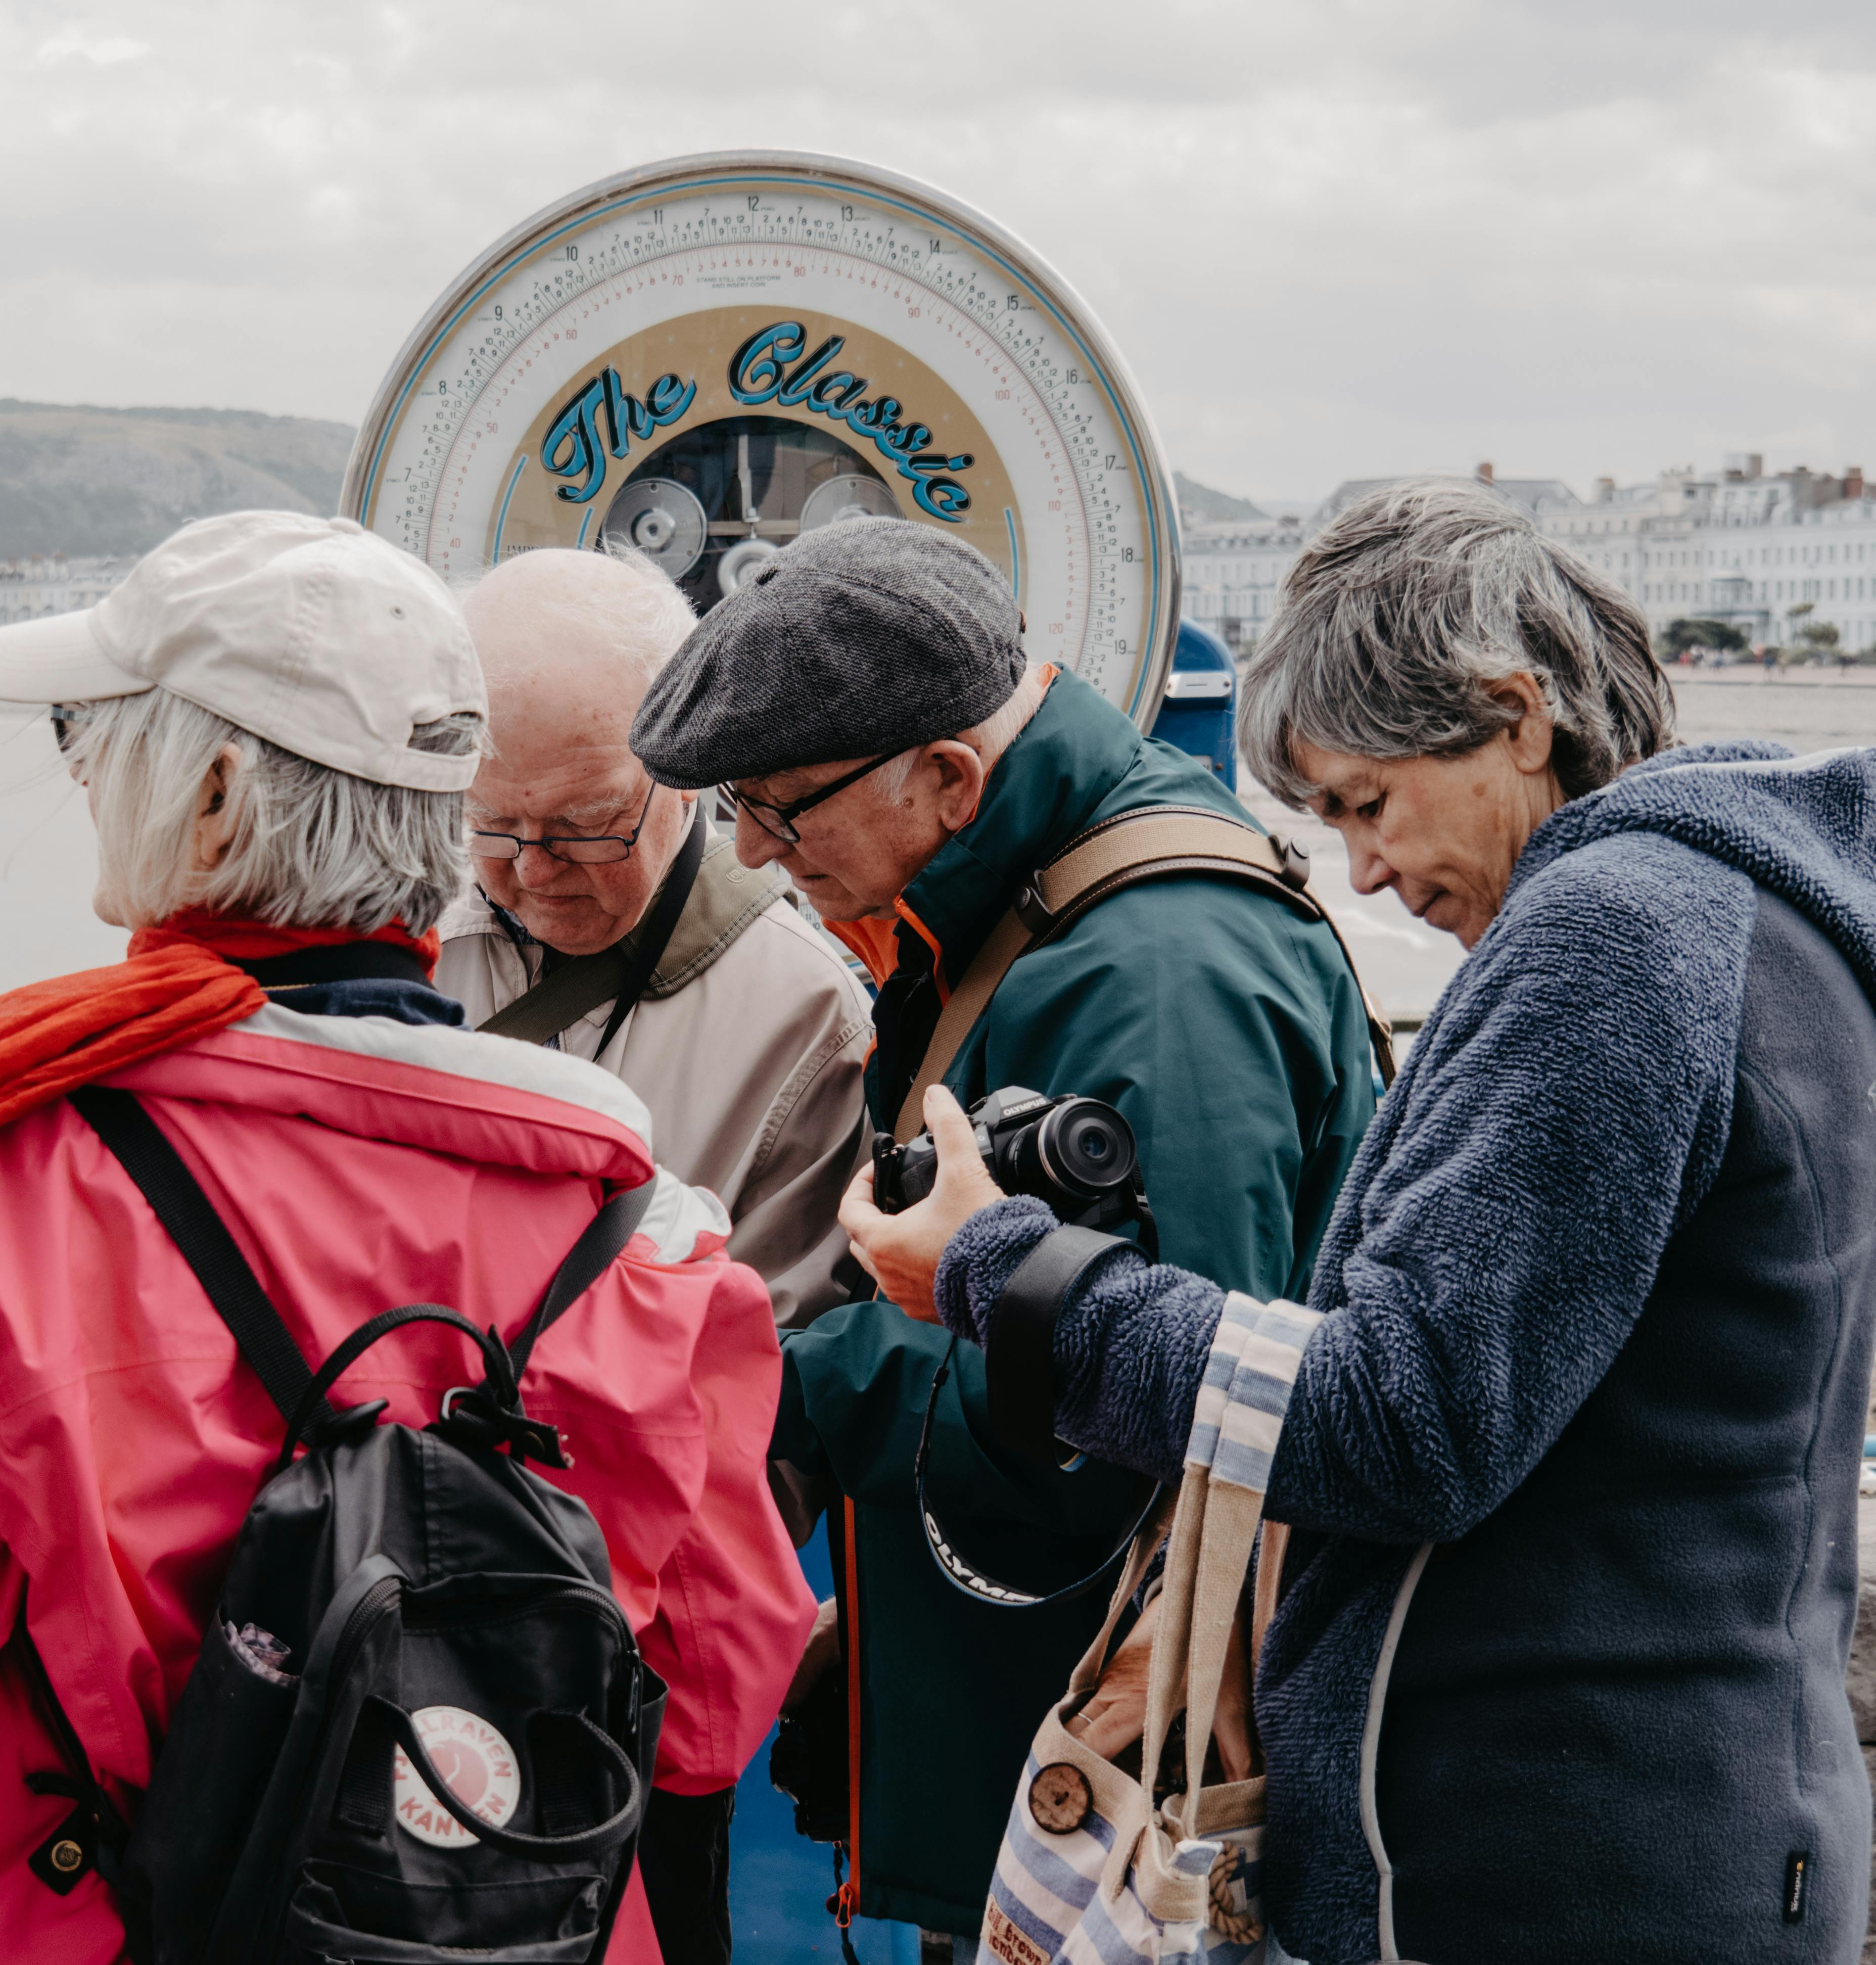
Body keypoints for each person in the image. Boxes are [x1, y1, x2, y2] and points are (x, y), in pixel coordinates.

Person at [0, 511, 815, 1964]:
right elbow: (712, 1712)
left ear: (212, 798)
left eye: (97, 740)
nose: (86, 778)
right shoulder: (639, 1235)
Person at [846, 478, 1876, 1964]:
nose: (1368, 870)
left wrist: (1002, 1274)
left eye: (1369, 805)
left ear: (1516, 713)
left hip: (1545, 1865)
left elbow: (1407, 1419)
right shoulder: (1753, 918)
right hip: (1690, 1821)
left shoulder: (1614, 938)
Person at [626, 516, 1383, 1942]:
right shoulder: (1044, 903)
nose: (753, 853)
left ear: (952, 775)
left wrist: (798, 1383)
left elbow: (1144, 1417)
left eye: (782, 812)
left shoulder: (1157, 978)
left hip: (1121, 1812)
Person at [438, 546, 874, 1331]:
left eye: (586, 824)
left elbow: (765, 1371)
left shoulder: (805, 1012)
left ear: (686, 765)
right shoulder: (398, 929)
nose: (534, 872)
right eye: (492, 823)